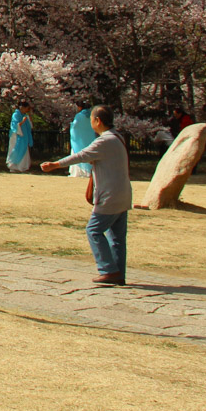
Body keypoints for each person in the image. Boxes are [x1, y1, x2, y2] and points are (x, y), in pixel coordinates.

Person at [40, 105, 132, 285]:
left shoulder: (104, 141)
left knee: (94, 230)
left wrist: (55, 165)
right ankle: (118, 273)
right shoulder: (118, 138)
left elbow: (81, 156)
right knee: (117, 238)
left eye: (91, 119)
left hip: (110, 197)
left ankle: (108, 269)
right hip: (123, 194)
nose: (91, 123)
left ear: (98, 121)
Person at [67, 107, 97, 178]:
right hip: (89, 138)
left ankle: (78, 172)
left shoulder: (79, 116)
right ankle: (89, 171)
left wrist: (72, 125)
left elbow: (75, 126)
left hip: (78, 140)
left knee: (77, 153)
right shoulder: (91, 115)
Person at [6, 105, 33, 172]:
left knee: (24, 150)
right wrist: (22, 121)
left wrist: (29, 116)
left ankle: (23, 167)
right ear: (22, 107)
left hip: (24, 136)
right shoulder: (15, 115)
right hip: (16, 136)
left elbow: (30, 126)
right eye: (26, 108)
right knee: (15, 150)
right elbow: (14, 126)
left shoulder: (25, 115)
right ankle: (13, 166)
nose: (27, 110)